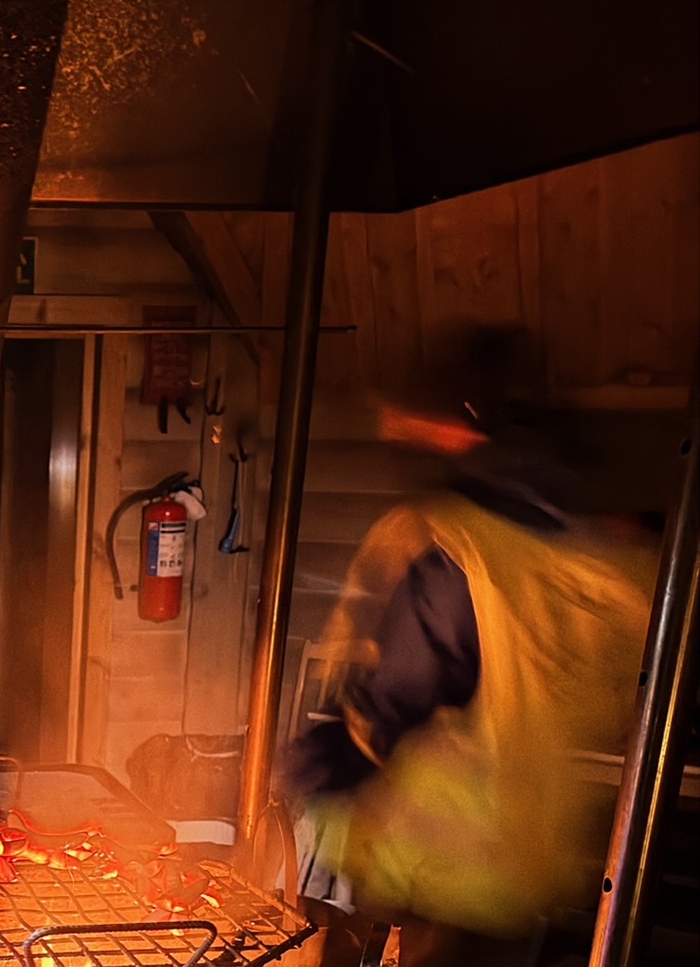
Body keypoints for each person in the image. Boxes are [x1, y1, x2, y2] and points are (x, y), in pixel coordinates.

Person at [282, 367, 658, 938]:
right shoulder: (597, 558)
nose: (396, 434)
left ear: (459, 427)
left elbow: (400, 694)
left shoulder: (458, 551)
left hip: (426, 851)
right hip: (531, 850)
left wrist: (311, 765)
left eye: (411, 422)